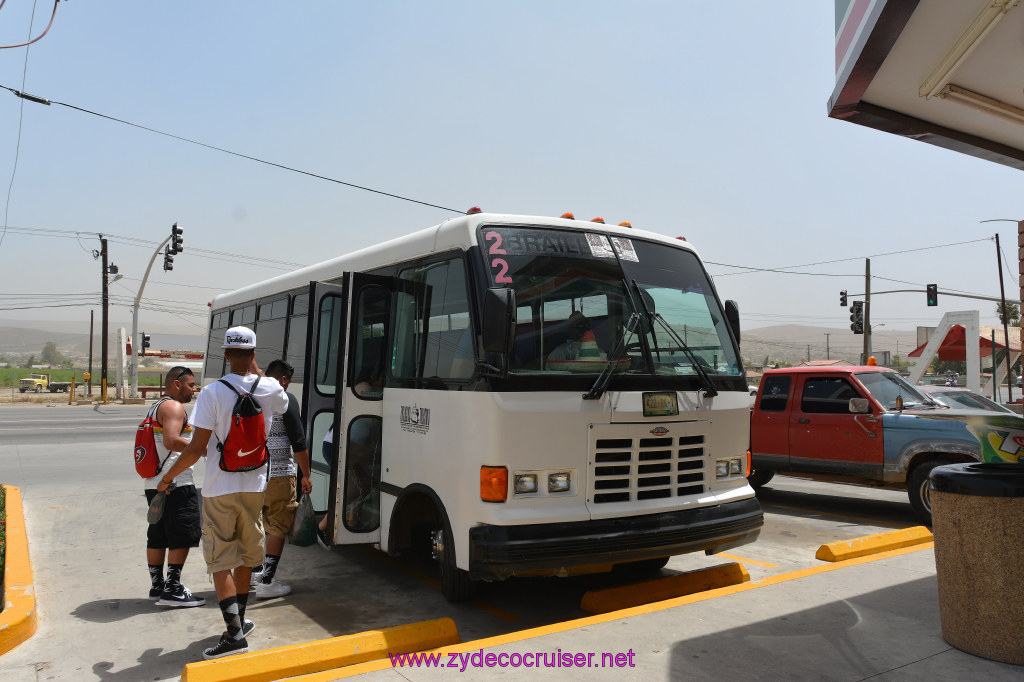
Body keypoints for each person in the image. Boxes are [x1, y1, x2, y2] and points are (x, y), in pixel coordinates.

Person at [157, 326, 288, 660]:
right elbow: (280, 402)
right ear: (253, 354)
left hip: (220, 487)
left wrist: (167, 477)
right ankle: (239, 623)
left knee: (219, 561)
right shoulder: (271, 390)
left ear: (225, 354)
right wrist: (256, 370)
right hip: (255, 485)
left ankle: (233, 636)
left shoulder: (213, 393)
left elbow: (196, 448)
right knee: (246, 556)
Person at [144, 366, 204, 608]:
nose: (194, 389)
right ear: (177, 384)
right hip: (175, 482)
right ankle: (173, 588)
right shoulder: (174, 407)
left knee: (158, 534)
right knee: (182, 535)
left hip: (155, 482)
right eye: (191, 384)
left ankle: (158, 586)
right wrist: (203, 448)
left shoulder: (157, 406)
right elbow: (171, 440)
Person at [252, 359, 312, 599]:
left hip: (251, 474)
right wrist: (306, 474)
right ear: (284, 380)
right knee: (277, 526)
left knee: (256, 524)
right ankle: (267, 581)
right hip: (278, 474)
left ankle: (256, 572)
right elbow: (298, 442)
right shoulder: (284, 399)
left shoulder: (251, 395)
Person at [315, 366, 384, 548]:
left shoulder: (365, 388)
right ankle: (323, 527)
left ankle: (352, 520)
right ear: (373, 376)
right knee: (351, 488)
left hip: (337, 445)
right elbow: (356, 448)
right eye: (382, 378)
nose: (384, 383)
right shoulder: (366, 390)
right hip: (339, 447)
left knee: (363, 483)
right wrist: (371, 451)